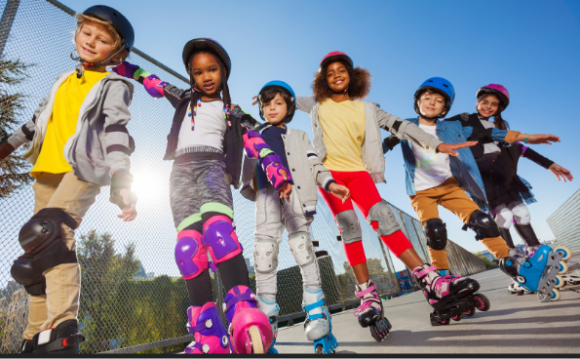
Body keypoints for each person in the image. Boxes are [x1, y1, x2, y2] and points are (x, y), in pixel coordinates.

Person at [113, 38, 292, 354]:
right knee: (187, 249)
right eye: (198, 72)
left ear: (223, 72)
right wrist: (121, 64)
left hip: (213, 168)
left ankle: (243, 312)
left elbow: (257, 144)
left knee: (219, 233)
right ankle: (209, 335)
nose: (206, 76)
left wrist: (278, 173)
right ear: (191, 76)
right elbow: (151, 81)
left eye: (212, 70)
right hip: (180, 174)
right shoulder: (183, 99)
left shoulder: (232, 112)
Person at [295, 52, 478, 338]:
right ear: (322, 81)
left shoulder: (367, 108)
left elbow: (402, 126)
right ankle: (367, 295)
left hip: (359, 173)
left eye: (341, 70)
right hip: (329, 176)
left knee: (383, 218)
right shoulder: (316, 104)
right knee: (350, 227)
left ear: (352, 76)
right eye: (329, 73)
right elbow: (282, 99)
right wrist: (262, 99)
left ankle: (428, 277)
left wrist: (435, 144)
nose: (336, 75)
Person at [0, 5, 138, 353]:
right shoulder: (63, 79)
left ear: (117, 52)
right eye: (87, 33)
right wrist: (6, 147)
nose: (91, 41)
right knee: (34, 252)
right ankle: (34, 335)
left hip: (83, 169)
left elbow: (116, 130)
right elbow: (35, 122)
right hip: (46, 169)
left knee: (50, 235)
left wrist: (122, 177)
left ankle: (63, 326)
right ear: (76, 34)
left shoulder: (114, 83)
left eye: (103, 39)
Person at [386, 77, 566, 306]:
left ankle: (520, 270)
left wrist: (527, 138)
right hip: (421, 191)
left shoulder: (453, 126)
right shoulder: (406, 125)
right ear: (418, 101)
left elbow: (492, 134)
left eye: (438, 101)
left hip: (451, 186)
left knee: (483, 221)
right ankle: (441, 282)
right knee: (434, 230)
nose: (431, 103)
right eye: (427, 98)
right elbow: (386, 140)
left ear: (445, 109)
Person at [243, 81, 348, 353]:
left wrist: (330, 183)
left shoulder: (300, 136)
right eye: (266, 105)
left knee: (302, 249)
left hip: (296, 199)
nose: (272, 108)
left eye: (278, 103)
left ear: (289, 106)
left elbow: (315, 164)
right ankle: (266, 322)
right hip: (267, 200)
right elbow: (244, 160)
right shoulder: (254, 133)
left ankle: (316, 312)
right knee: (264, 255)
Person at [445, 84, 573, 294]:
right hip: (481, 179)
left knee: (521, 213)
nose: (488, 106)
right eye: (484, 102)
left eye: (494, 104)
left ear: (499, 108)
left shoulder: (501, 127)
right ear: (477, 102)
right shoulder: (464, 119)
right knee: (503, 216)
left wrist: (549, 164)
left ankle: (537, 254)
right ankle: (515, 266)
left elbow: (521, 148)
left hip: (503, 176)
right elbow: (437, 127)